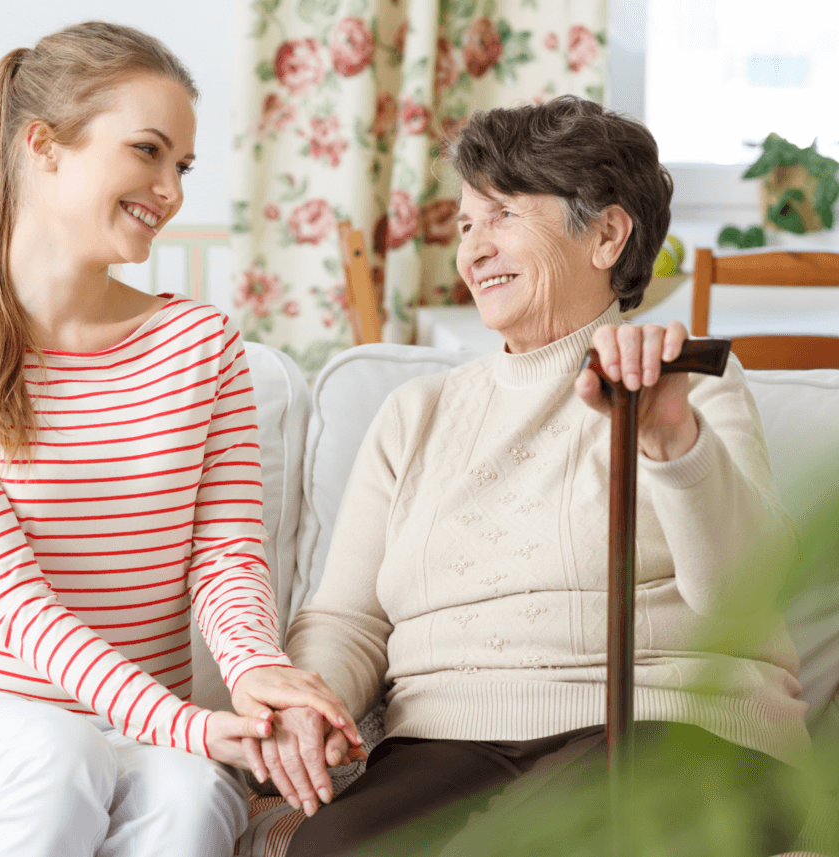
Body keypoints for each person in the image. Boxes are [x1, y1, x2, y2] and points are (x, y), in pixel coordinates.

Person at [254, 97, 815, 856]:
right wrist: (311, 701)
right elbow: (347, 620)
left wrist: (669, 436)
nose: (473, 250)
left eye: (504, 215)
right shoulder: (412, 414)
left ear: (608, 234)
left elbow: (743, 595)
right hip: (445, 746)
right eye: (464, 225)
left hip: (661, 726)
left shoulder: (689, 384)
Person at [0, 21, 359, 857]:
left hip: (131, 725)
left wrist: (256, 674)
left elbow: (227, 560)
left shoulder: (202, 345)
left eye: (183, 166)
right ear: (44, 145)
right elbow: (15, 606)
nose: (170, 189)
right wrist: (192, 723)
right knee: (59, 754)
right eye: (148, 152)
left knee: (194, 797)